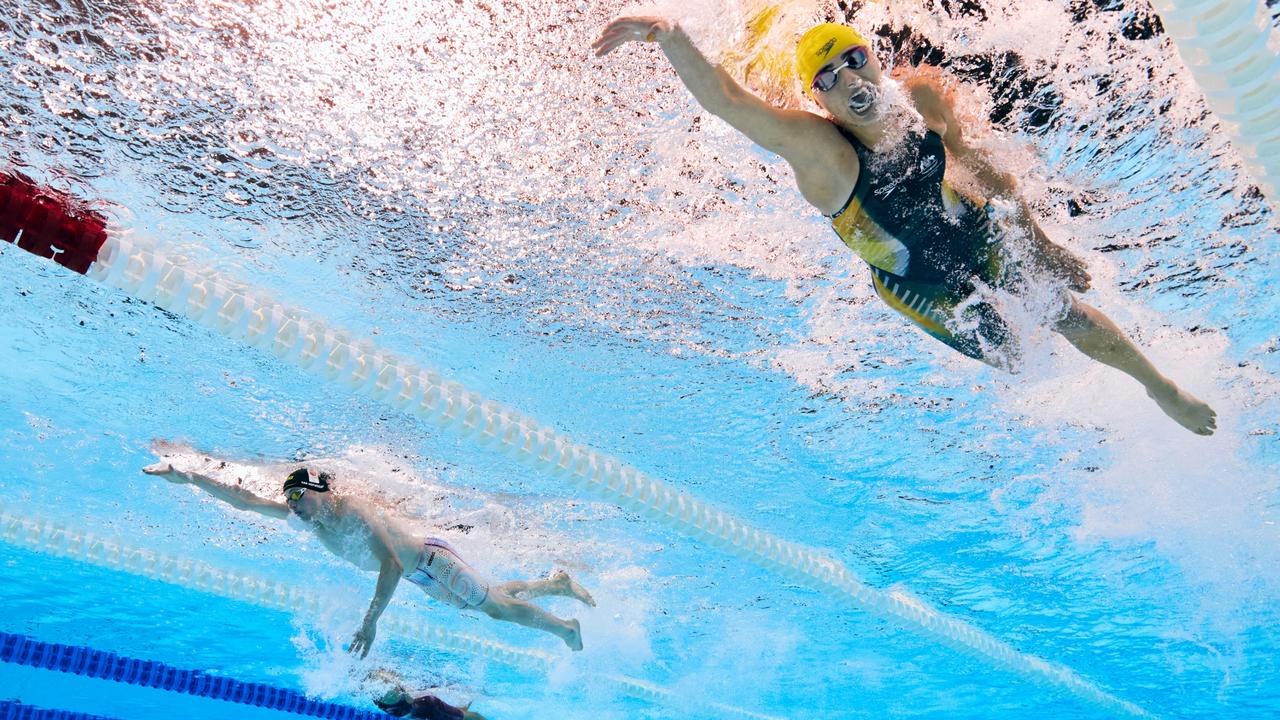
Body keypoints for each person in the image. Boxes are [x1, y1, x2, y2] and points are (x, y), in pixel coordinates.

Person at [591, 18, 1217, 435]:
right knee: (1017, 355)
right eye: (828, 79)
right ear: (819, 101)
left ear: (875, 59)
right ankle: (1089, 415)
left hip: (965, 224)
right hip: (914, 280)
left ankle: (1160, 388)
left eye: (854, 60)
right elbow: (730, 103)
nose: (849, 81)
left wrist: (1040, 243)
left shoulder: (921, 97)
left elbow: (979, 167)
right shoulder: (824, 154)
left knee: (1062, 309)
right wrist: (669, 36)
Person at [143, 446, 595, 653]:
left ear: (318, 488)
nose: (293, 509)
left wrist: (369, 624)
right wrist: (190, 477)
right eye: (290, 503)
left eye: (299, 498)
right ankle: (553, 583)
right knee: (488, 597)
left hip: (428, 562)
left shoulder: (350, 512)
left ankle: (565, 630)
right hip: (426, 574)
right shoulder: (313, 516)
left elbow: (392, 565)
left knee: (494, 608)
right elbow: (245, 500)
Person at [368, 670, 488, 720]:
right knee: (466, 713)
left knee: (466, 712)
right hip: (426, 706)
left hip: (424, 705)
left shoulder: (389, 696)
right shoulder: (391, 695)